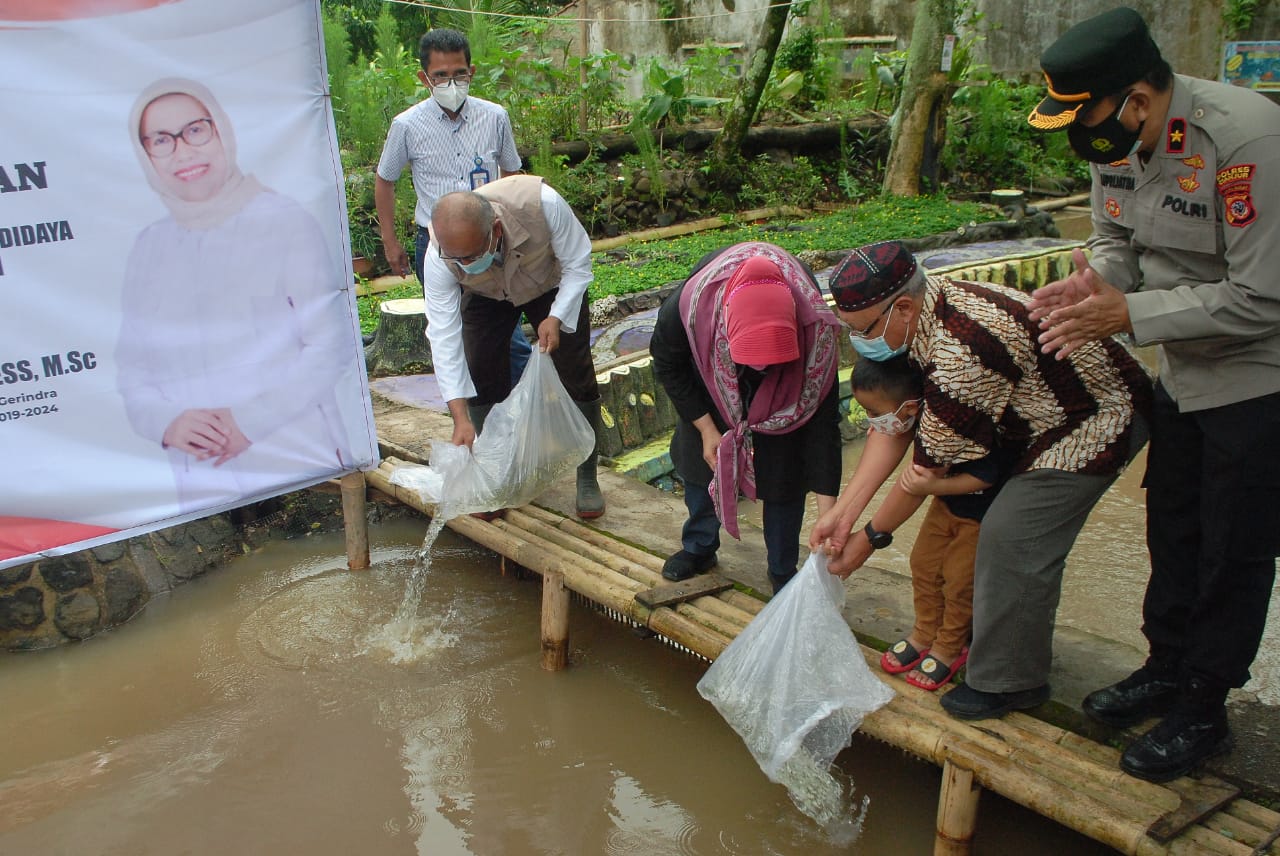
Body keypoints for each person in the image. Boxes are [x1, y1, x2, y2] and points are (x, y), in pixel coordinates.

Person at [1025, 6, 1280, 783]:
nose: (1086, 140)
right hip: (1181, 371)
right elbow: (1117, 237)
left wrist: (1128, 313)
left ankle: (1205, 707)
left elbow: (1264, 298)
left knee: (1233, 550)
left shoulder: (1245, 141)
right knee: (1172, 532)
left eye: (1091, 116)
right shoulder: (1114, 139)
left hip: (1255, 379)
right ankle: (1165, 666)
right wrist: (1096, 281)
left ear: (1138, 98)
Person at [809, 240, 1152, 719]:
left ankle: (1010, 681)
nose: (857, 343)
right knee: (957, 547)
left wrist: (866, 540)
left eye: (860, 331)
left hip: (1091, 415)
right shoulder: (919, 318)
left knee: (1013, 537)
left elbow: (922, 474)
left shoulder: (960, 358)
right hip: (1020, 420)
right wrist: (842, 516)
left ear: (902, 307)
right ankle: (971, 632)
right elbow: (894, 429)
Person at [116, 78, 356, 514]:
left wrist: (249, 420)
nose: (183, 151)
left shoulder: (284, 222)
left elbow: (330, 345)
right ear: (146, 155)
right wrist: (168, 422)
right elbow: (133, 373)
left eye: (195, 130)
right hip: (202, 478)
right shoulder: (149, 248)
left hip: (297, 458)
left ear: (221, 130)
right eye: (161, 140)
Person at [649, 242, 843, 594]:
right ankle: (699, 547)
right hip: (712, 376)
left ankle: (782, 569)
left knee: (786, 468)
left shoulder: (816, 332)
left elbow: (822, 425)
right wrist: (707, 428)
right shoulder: (689, 309)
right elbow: (667, 363)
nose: (760, 367)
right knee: (701, 458)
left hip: (789, 388)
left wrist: (831, 514)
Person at [420, 174, 604, 518]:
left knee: (575, 372)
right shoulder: (439, 254)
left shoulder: (542, 204)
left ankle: (587, 475)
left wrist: (557, 316)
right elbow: (443, 334)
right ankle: (495, 475)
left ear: (496, 232)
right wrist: (459, 417)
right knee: (480, 368)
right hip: (487, 293)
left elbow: (578, 266)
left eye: (471, 254)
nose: (463, 263)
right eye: (455, 258)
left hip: (549, 283)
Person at [374, 27, 531, 383]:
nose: (451, 83)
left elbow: (512, 172)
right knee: (450, 330)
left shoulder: (494, 118)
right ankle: (469, 414)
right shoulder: (408, 126)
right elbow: (385, 179)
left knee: (508, 332)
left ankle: (523, 409)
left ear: (471, 72)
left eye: (459, 73)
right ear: (424, 78)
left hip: (490, 241)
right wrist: (390, 242)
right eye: (440, 76)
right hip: (436, 245)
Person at [849, 355, 1009, 691]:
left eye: (877, 413)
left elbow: (985, 477)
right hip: (944, 505)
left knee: (959, 581)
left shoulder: (960, 422)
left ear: (909, 406)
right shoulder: (921, 424)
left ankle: (951, 647)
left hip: (978, 515)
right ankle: (924, 631)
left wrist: (936, 486)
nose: (872, 422)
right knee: (922, 564)